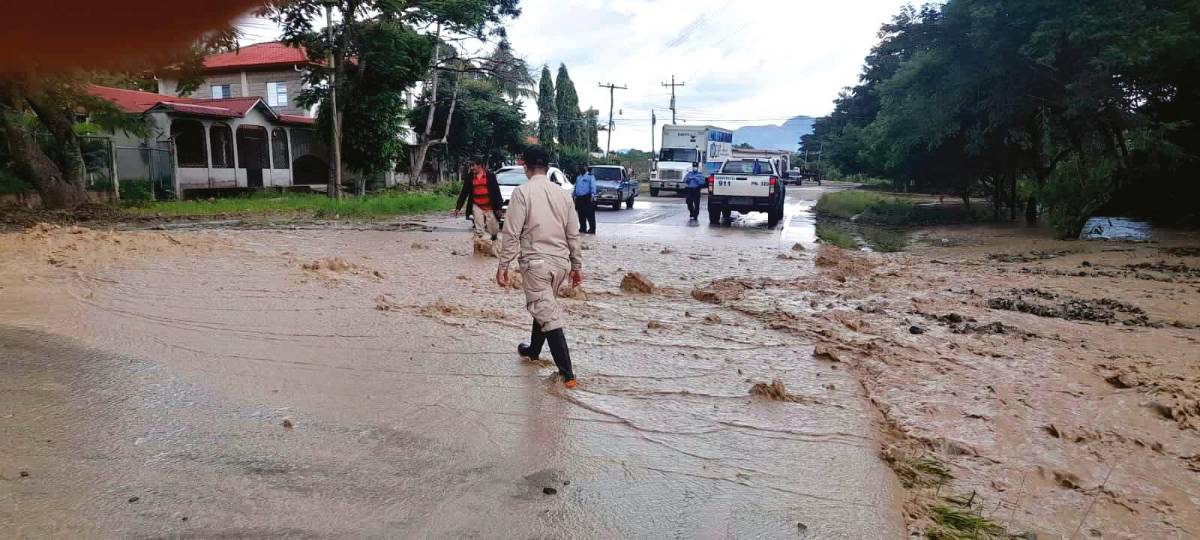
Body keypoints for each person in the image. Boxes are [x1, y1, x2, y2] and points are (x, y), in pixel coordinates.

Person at [497, 146, 584, 389]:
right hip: (560, 265)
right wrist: (576, 266)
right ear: (547, 167)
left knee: (549, 315)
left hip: (536, 263)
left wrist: (503, 264)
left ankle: (568, 376)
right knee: (544, 307)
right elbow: (573, 234)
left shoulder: (522, 192)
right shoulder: (563, 194)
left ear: (525, 166)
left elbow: (511, 233)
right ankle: (533, 351)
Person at [454, 162, 503, 241]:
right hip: (477, 205)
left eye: (473, 166)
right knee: (479, 231)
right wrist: (458, 207)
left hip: (490, 206)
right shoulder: (469, 177)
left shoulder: (490, 176)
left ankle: (494, 243)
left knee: (494, 230)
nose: (471, 168)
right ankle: (480, 248)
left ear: (479, 165)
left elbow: (497, 192)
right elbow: (464, 193)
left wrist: (499, 207)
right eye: (470, 166)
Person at [572, 166, 597, 234]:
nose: (581, 169)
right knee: (581, 214)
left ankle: (592, 229)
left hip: (587, 197)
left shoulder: (590, 176)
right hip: (579, 198)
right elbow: (576, 187)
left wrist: (592, 195)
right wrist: (573, 196)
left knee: (590, 214)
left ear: (586, 168)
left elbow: (593, 187)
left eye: (583, 167)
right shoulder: (578, 177)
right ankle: (583, 228)